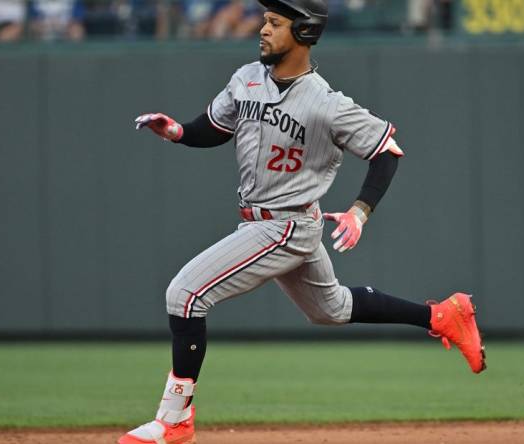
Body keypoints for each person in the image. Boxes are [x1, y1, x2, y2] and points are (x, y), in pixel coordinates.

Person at [120, 1, 486, 443]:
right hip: (268, 221)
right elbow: (215, 127)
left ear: (305, 31)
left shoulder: (326, 103)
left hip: (285, 226)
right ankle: (443, 315)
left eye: (275, 23)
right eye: (265, 20)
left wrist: (359, 211)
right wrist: (177, 131)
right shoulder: (247, 79)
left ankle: (174, 418)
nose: (263, 29)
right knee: (333, 310)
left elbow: (387, 152)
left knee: (185, 293)